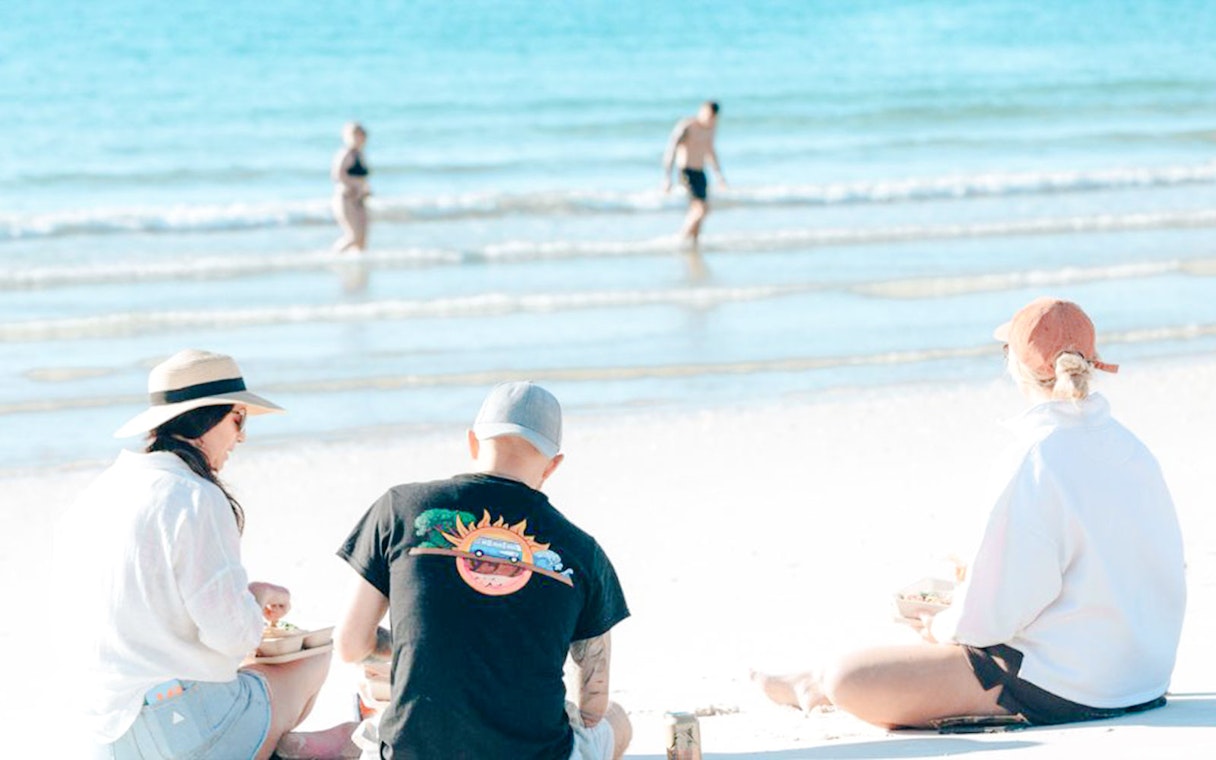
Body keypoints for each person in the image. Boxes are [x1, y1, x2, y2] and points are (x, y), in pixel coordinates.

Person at [753, 297, 1186, 729]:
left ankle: (814, 681)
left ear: (1015, 366)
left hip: (1068, 687)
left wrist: (938, 625)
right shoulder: (1132, 448)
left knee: (847, 675)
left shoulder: (1035, 458)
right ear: (1091, 363)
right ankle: (810, 677)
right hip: (1143, 676)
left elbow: (985, 625)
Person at [54, 349, 358, 759]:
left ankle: (288, 750)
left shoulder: (98, 495)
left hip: (98, 734)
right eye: (238, 419)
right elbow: (233, 636)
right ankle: (294, 749)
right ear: (208, 417)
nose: (242, 436)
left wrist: (247, 596)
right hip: (173, 732)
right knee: (310, 662)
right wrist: (249, 609)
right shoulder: (194, 496)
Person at [334, 381, 633, 759]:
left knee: (384, 683)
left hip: (413, 752)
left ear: (473, 442)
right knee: (618, 719)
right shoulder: (583, 551)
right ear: (553, 465)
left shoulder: (401, 508)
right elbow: (593, 704)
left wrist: (428, 651)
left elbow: (349, 645)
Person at [662, 101, 726, 246]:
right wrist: (667, 178)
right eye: (708, 115)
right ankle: (682, 238)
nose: (710, 119)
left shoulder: (711, 128)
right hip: (686, 171)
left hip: (700, 171)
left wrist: (719, 175)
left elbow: (710, 151)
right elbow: (671, 150)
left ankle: (694, 243)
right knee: (701, 209)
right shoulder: (687, 126)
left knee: (700, 211)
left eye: (713, 117)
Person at [332, 121, 371, 253]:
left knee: (362, 239)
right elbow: (337, 175)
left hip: (359, 199)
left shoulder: (359, 154)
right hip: (347, 198)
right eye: (356, 135)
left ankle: (356, 270)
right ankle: (334, 255)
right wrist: (354, 186)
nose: (360, 138)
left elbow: (361, 177)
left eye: (361, 135)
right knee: (353, 236)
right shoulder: (345, 153)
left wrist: (365, 189)